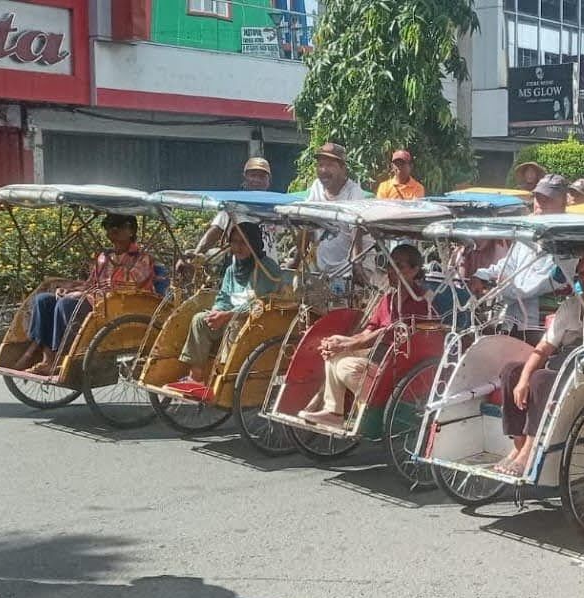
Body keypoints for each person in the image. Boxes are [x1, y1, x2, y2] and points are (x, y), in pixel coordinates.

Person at [495, 249, 584, 475]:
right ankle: (519, 445)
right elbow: (543, 349)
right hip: (564, 366)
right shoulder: (570, 306)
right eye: (581, 273)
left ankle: (529, 449)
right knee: (511, 371)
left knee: (541, 379)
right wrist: (522, 380)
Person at [299, 244, 431, 427]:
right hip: (377, 353)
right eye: (390, 265)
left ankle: (369, 406)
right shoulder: (388, 298)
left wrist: (347, 345)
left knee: (346, 367)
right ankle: (333, 411)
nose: (392, 271)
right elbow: (371, 329)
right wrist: (341, 340)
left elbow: (386, 334)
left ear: (415, 270)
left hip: (397, 360)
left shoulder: (419, 303)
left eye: (399, 266)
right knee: (332, 353)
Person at [13, 214, 156, 374]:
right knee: (44, 300)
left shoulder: (142, 258)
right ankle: (47, 357)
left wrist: (81, 295)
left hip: (121, 304)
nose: (112, 231)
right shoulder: (104, 256)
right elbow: (91, 283)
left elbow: (125, 286)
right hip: (96, 299)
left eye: (118, 227)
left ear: (131, 231)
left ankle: (59, 358)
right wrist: (71, 290)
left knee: (66, 303)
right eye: (109, 227)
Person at [170, 222, 283, 392]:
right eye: (234, 242)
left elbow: (261, 304)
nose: (238, 247)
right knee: (200, 320)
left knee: (234, 325)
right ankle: (196, 378)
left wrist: (228, 316)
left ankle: (222, 379)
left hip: (256, 322)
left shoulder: (268, 268)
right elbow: (223, 296)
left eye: (243, 243)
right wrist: (217, 311)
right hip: (230, 316)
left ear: (254, 243)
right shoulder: (232, 268)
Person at [479, 174, 569, 336]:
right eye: (538, 198)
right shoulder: (527, 231)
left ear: (562, 202)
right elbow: (509, 264)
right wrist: (482, 275)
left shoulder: (567, 239)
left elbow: (542, 283)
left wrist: (499, 289)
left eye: (547, 199)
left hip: (544, 323)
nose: (540, 204)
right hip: (515, 316)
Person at [181, 158, 273, 269]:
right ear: (245, 178)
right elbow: (215, 231)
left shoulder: (276, 209)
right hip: (241, 269)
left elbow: (299, 230)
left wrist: (294, 262)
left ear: (268, 181)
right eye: (253, 175)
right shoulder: (233, 207)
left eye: (262, 176)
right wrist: (196, 254)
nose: (257, 180)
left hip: (269, 269)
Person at [305, 143, 369, 280]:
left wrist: (357, 264)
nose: (323, 170)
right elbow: (306, 222)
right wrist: (297, 260)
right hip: (322, 268)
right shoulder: (316, 187)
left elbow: (355, 229)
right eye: (320, 165)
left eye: (330, 165)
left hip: (347, 268)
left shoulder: (354, 193)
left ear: (343, 169)